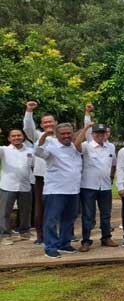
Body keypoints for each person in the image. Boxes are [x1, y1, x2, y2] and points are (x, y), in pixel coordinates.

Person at [34, 123, 82, 258]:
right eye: (63, 134)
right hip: (55, 191)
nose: (66, 136)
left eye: (69, 133)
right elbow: (37, 151)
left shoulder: (75, 146)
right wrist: (44, 135)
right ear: (56, 134)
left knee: (68, 219)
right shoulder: (51, 146)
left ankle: (64, 244)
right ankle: (50, 247)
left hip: (73, 190)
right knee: (51, 220)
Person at [75, 123, 117, 251]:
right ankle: (86, 241)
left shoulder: (110, 147)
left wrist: (111, 177)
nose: (100, 136)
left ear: (106, 134)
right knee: (88, 215)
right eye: (97, 133)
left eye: (102, 133)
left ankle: (106, 237)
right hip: (88, 186)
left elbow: (113, 164)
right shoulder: (86, 146)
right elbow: (76, 145)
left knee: (106, 214)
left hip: (105, 186)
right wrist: (85, 128)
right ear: (93, 134)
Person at [23, 100, 57, 244]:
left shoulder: (63, 137)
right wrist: (29, 111)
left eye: (51, 122)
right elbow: (28, 128)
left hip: (58, 177)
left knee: (60, 205)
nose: (48, 124)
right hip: (41, 176)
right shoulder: (38, 136)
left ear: (56, 122)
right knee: (40, 207)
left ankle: (64, 233)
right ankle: (40, 235)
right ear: (42, 125)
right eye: (45, 122)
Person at [0, 128, 34, 245]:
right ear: (9, 138)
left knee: (26, 211)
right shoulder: (4, 150)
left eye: (18, 135)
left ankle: (25, 232)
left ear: (23, 137)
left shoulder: (30, 151)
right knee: (5, 212)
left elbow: (35, 166)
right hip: (8, 185)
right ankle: (5, 234)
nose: (16, 138)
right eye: (13, 136)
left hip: (25, 186)